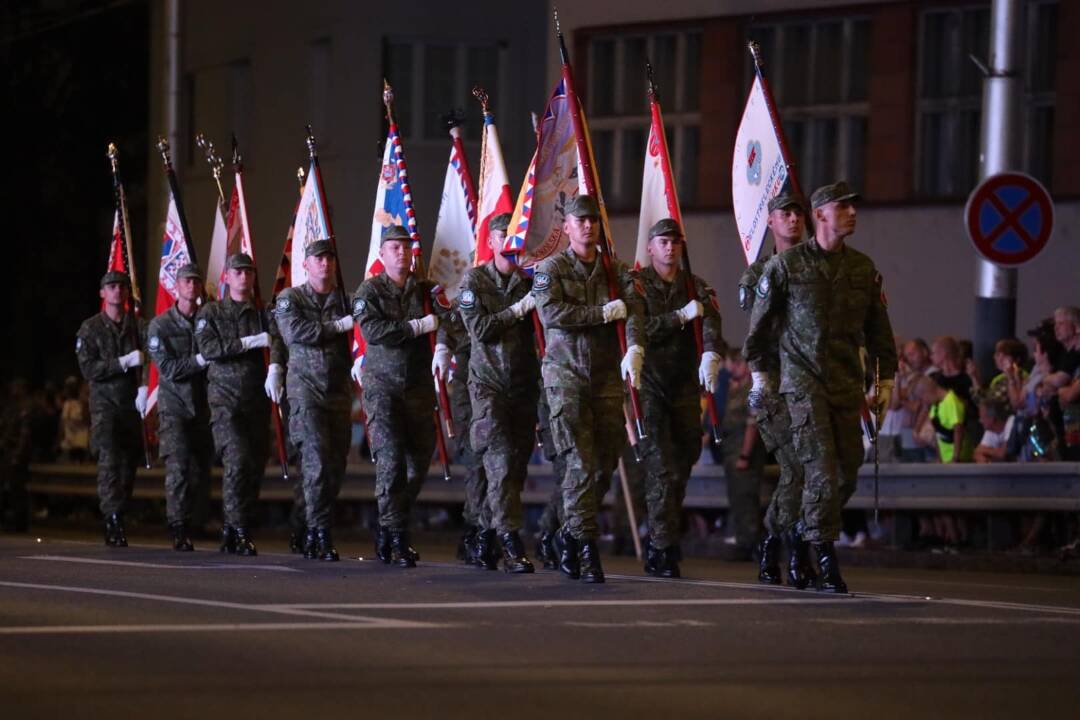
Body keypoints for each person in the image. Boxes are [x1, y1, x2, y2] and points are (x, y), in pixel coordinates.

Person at [743, 181, 897, 593]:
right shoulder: (787, 267)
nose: (852, 213)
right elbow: (757, 333)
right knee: (820, 474)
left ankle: (797, 533)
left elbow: (880, 334)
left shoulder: (863, 269)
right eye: (842, 206)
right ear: (821, 214)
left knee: (847, 473)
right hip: (801, 387)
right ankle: (820, 555)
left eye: (853, 206)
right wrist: (761, 379)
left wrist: (884, 383)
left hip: (847, 387)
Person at [532, 194, 646, 584]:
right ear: (566, 227)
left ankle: (567, 531)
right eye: (580, 220)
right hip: (565, 378)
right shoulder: (551, 269)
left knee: (603, 466)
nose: (587, 226)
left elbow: (634, 310)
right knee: (579, 464)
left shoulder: (616, 269)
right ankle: (583, 545)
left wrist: (634, 345)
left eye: (593, 220)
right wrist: (600, 313)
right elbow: (551, 314)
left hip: (605, 379)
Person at [353, 225, 448, 568]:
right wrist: (416, 327)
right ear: (382, 254)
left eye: (406, 248)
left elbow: (449, 318)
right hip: (383, 389)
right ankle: (395, 534)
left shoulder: (424, 290)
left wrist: (444, 342)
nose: (402, 253)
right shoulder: (370, 290)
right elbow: (373, 331)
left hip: (418, 388)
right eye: (394, 247)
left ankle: (389, 521)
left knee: (419, 463)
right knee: (391, 461)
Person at [634, 217, 724, 578]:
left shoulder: (695, 285)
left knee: (684, 461)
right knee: (661, 468)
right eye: (663, 242)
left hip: (685, 387)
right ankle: (661, 546)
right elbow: (641, 327)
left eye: (675, 242)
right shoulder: (638, 286)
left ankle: (666, 534)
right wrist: (678, 317)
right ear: (651, 248)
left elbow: (712, 321)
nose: (670, 248)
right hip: (652, 386)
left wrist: (711, 353)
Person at [737, 192, 815, 587]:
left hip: (813, 385)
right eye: (785, 213)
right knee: (798, 467)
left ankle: (789, 541)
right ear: (770, 221)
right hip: (776, 386)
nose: (794, 219)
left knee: (820, 472)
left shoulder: (819, 267)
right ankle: (782, 544)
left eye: (799, 213)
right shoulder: (759, 274)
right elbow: (756, 325)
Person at [458, 212, 542, 574]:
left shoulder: (530, 281)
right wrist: (518, 309)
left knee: (515, 468)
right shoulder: (474, 281)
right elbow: (480, 328)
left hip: (523, 386)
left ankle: (483, 536)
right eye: (501, 236)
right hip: (487, 385)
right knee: (501, 461)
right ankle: (509, 540)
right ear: (490, 242)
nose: (508, 242)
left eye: (514, 236)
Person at [274, 240, 354, 561]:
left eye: (329, 258)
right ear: (305, 265)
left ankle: (303, 522)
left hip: (338, 392)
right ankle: (320, 532)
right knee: (317, 462)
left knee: (333, 468)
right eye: (318, 258)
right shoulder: (289, 299)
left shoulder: (347, 300)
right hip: (305, 393)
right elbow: (296, 333)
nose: (324, 264)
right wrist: (338, 325)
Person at [195, 253, 272, 556]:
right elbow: (209, 349)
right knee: (238, 460)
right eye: (237, 272)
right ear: (226, 276)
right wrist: (248, 343)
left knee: (254, 466)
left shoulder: (262, 313)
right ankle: (239, 529)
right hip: (225, 402)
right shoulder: (211, 312)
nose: (243, 277)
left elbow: (278, 344)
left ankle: (234, 526)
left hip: (256, 401)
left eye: (248, 272)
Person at [75, 270, 147, 547]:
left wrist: (144, 387)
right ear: (103, 293)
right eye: (112, 286)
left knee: (128, 465)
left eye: (121, 286)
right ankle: (112, 518)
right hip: (105, 407)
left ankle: (121, 512)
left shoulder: (137, 326)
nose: (117, 291)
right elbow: (88, 368)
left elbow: (152, 356)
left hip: (132, 405)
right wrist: (123, 362)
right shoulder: (90, 329)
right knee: (109, 463)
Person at [146, 263, 212, 551]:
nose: (192, 286)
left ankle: (194, 521)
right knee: (179, 467)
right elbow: (168, 368)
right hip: (174, 406)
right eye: (186, 281)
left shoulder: (207, 321)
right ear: (177, 285)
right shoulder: (160, 325)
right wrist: (198, 361)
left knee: (200, 470)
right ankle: (178, 525)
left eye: (196, 282)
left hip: (202, 405)